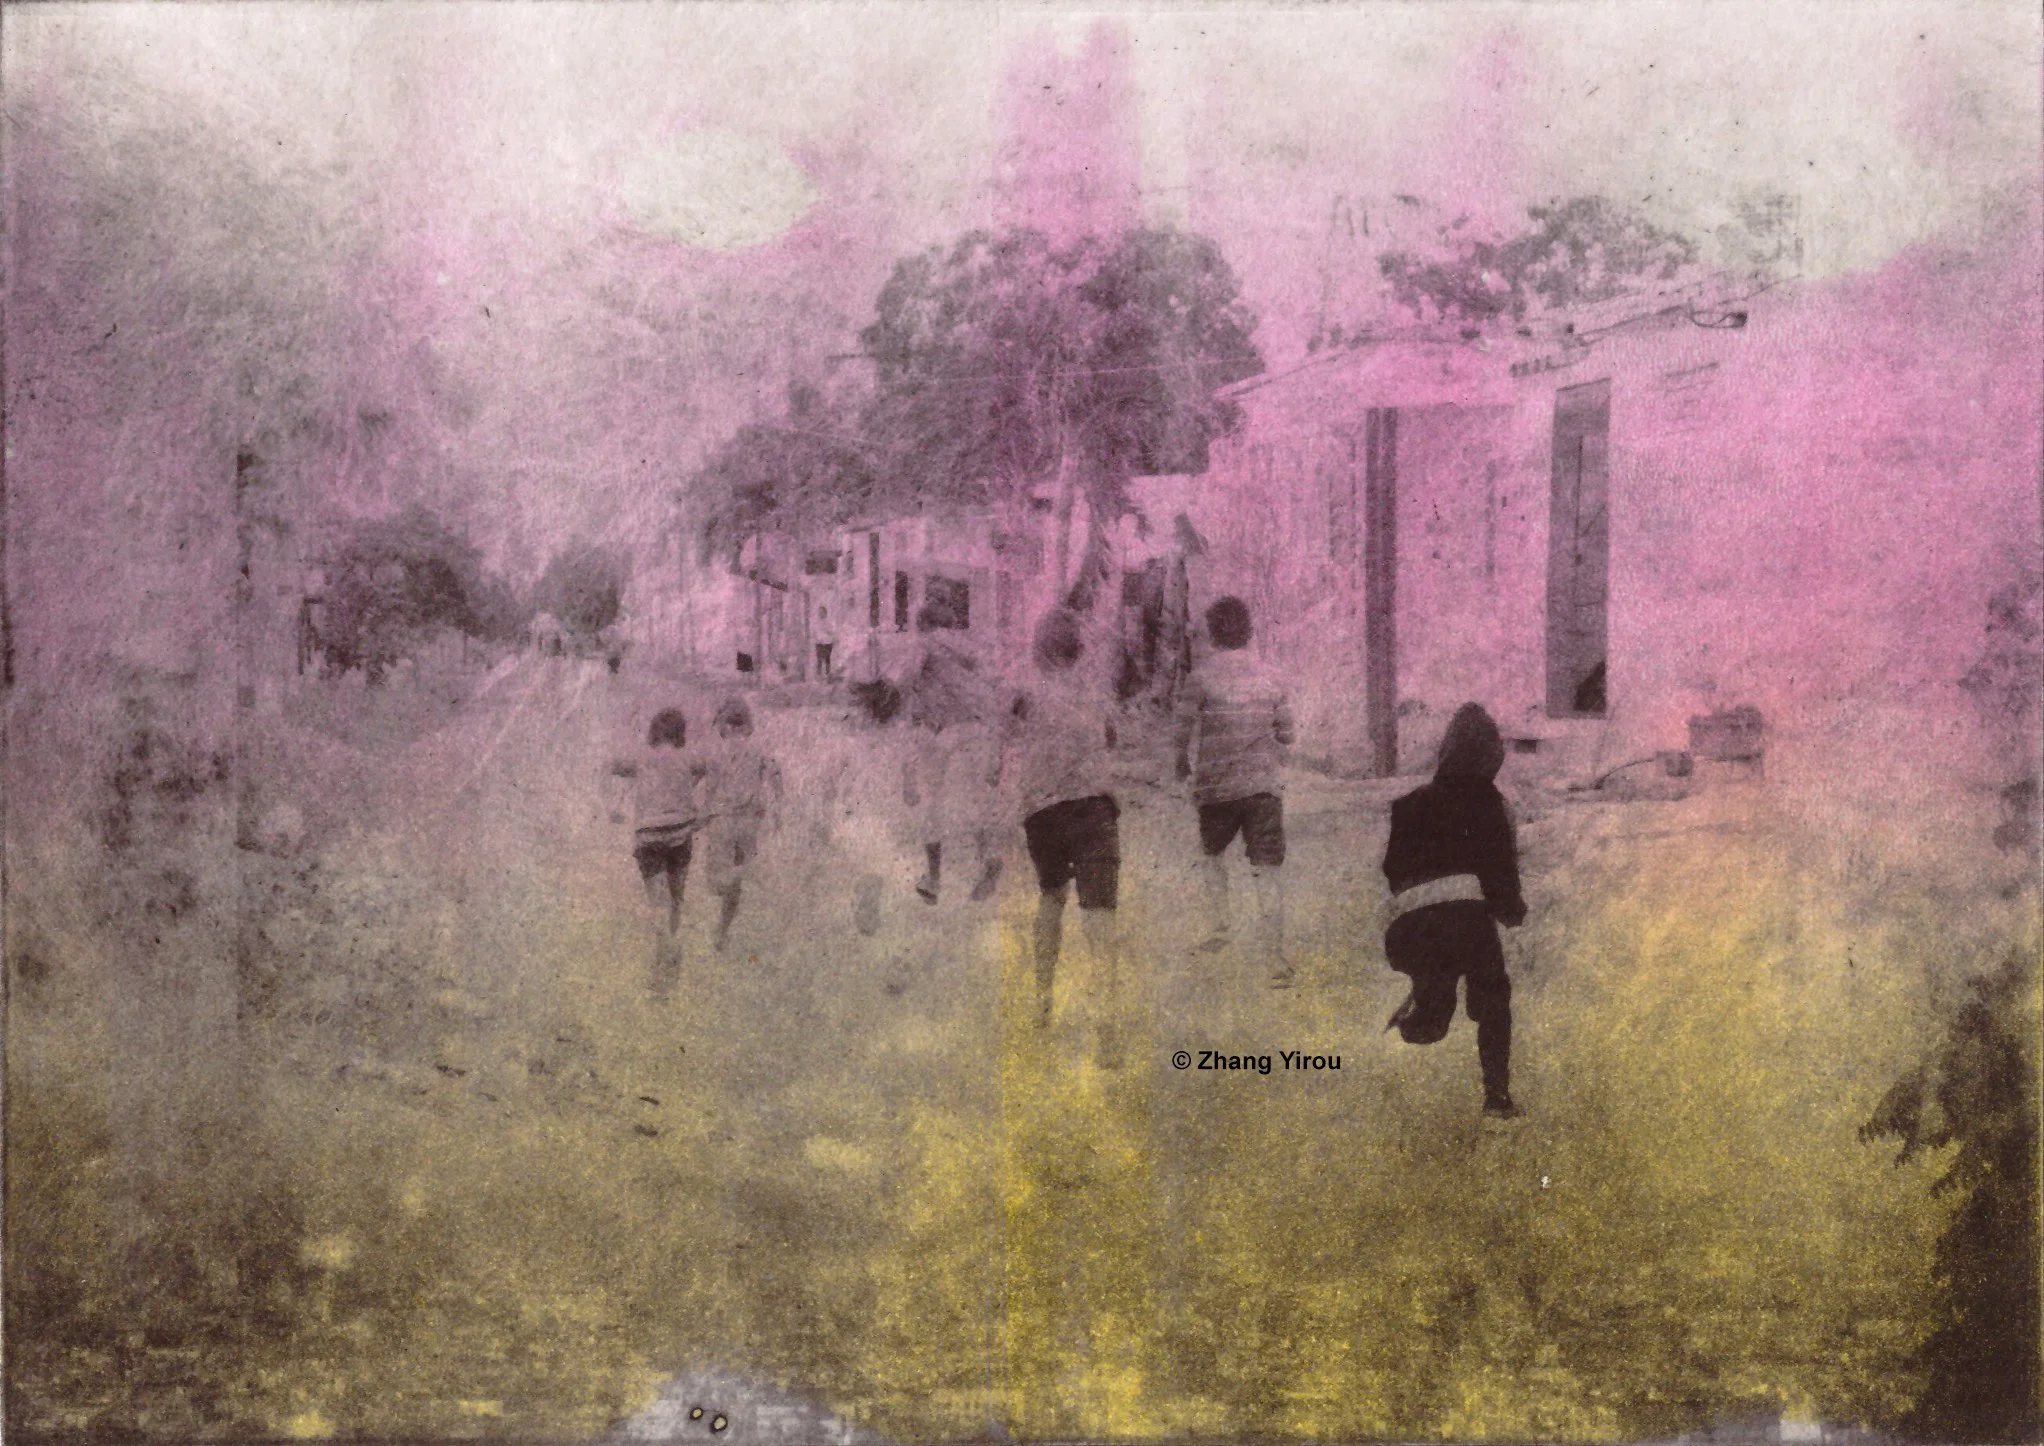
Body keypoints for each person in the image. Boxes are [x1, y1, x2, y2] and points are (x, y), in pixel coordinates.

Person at [1381, 702, 1528, 1119]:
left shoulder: (1408, 804)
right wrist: (1512, 911)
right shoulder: (1492, 806)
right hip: (1467, 925)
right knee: (1493, 998)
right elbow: (1500, 874)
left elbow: (1393, 870)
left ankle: (1420, 1017)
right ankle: (1497, 1099)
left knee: (1435, 1013)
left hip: (1410, 927)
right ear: (1492, 758)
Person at [1004, 608, 1124, 1054]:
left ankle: (1042, 999)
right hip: (1094, 808)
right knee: (1099, 915)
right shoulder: (1095, 691)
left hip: (1043, 813)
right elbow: (1112, 737)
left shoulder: (1024, 692)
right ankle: (1106, 1022)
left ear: (1038, 651)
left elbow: (1007, 733)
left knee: (1051, 898)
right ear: (1079, 650)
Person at [1174, 596, 1296, 987]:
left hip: (1216, 788)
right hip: (1262, 788)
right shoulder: (1272, 676)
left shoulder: (1200, 678)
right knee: (1268, 870)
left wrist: (1181, 762)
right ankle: (1276, 961)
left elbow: (1181, 731)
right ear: (1249, 632)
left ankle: (1218, 925)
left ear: (1212, 635)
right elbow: (1287, 734)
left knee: (1211, 855)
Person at [904, 624, 1005, 906]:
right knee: (975, 801)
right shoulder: (966, 655)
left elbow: (913, 718)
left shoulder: (924, 654)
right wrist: (997, 760)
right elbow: (993, 708)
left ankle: (934, 879)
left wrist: (907, 778)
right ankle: (986, 861)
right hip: (974, 730)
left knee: (933, 804)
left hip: (943, 732)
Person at [610, 708, 706, 996]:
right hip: (680, 834)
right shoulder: (688, 758)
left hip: (649, 836)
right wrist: (688, 790)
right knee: (675, 901)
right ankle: (669, 965)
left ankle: (663, 963)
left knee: (658, 904)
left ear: (653, 732)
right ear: (679, 733)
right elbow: (707, 769)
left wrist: (612, 805)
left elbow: (611, 765)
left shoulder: (641, 758)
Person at [699, 697, 784, 952]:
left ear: (724, 725)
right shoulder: (759, 751)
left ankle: (747, 871)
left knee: (716, 881)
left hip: (723, 820)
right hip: (750, 822)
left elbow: (710, 790)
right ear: (747, 724)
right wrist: (777, 810)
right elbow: (776, 777)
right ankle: (722, 931)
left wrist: (702, 817)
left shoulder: (716, 753)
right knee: (734, 885)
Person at [813, 602, 839, 683]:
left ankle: (828, 675)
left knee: (827, 659)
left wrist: (827, 630)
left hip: (827, 642)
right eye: (819, 612)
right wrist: (817, 638)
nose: (820, 614)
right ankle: (819, 676)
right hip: (819, 643)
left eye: (822, 612)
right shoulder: (816, 622)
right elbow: (814, 632)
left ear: (825, 613)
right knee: (819, 659)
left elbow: (832, 631)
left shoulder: (828, 622)